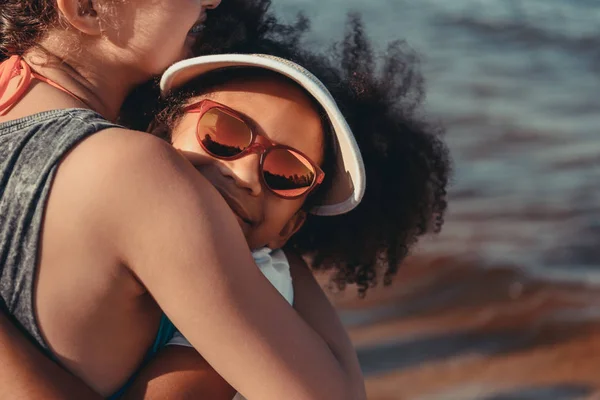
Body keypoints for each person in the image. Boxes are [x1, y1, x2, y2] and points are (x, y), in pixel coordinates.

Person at [0, 0, 368, 399]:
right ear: (86, 7)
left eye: (287, 174)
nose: (213, 1)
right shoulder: (138, 172)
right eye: (223, 133)